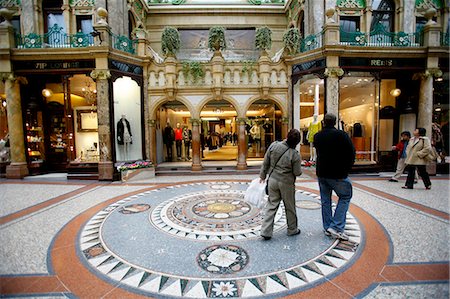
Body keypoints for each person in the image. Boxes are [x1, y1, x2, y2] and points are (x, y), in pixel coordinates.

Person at [314, 113, 355, 241]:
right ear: (335, 122)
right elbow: (351, 152)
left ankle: (327, 227)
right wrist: (347, 168)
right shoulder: (342, 135)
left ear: (323, 122)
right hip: (338, 173)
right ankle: (336, 227)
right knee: (345, 196)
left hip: (322, 173)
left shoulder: (317, 136)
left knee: (325, 201)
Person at [259, 129, 302, 240]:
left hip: (273, 180)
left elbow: (266, 161)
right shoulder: (295, 154)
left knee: (271, 205)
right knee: (289, 206)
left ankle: (266, 231)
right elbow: (297, 172)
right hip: (286, 183)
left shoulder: (274, 146)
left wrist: (263, 176)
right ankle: (292, 229)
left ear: (287, 136)